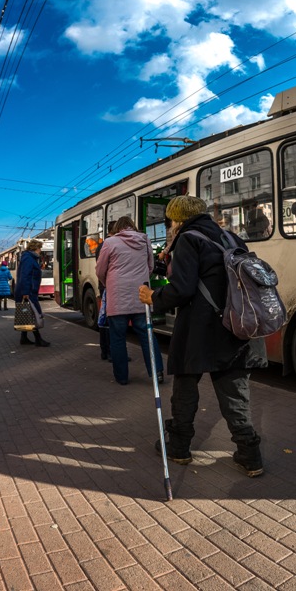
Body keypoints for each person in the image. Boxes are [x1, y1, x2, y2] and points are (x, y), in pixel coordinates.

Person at [139, 195, 268, 477]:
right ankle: (250, 455)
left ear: (177, 219)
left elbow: (182, 289)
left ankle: (179, 448)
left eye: (172, 220)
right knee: (235, 393)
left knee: (185, 387)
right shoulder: (230, 237)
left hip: (199, 328)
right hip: (236, 324)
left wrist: (153, 297)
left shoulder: (188, 239)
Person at [96, 216, 164, 385]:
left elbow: (100, 270)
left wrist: (109, 284)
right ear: (133, 226)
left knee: (118, 337)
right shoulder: (144, 240)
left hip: (117, 296)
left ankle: (122, 377)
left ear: (118, 228)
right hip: (141, 295)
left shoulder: (110, 243)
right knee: (147, 334)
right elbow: (150, 266)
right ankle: (157, 373)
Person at [15, 240, 50, 347]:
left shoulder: (28, 257)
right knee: (33, 314)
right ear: (35, 248)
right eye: (39, 248)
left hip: (29, 290)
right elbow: (25, 275)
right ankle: (38, 339)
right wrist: (25, 292)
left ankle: (24, 338)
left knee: (26, 313)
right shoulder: (29, 259)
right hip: (28, 292)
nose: (40, 251)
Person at [98, 221, 118, 361]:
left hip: (106, 286)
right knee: (109, 321)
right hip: (108, 287)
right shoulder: (108, 244)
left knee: (105, 320)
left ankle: (105, 351)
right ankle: (109, 351)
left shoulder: (104, 244)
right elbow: (101, 269)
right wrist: (107, 284)